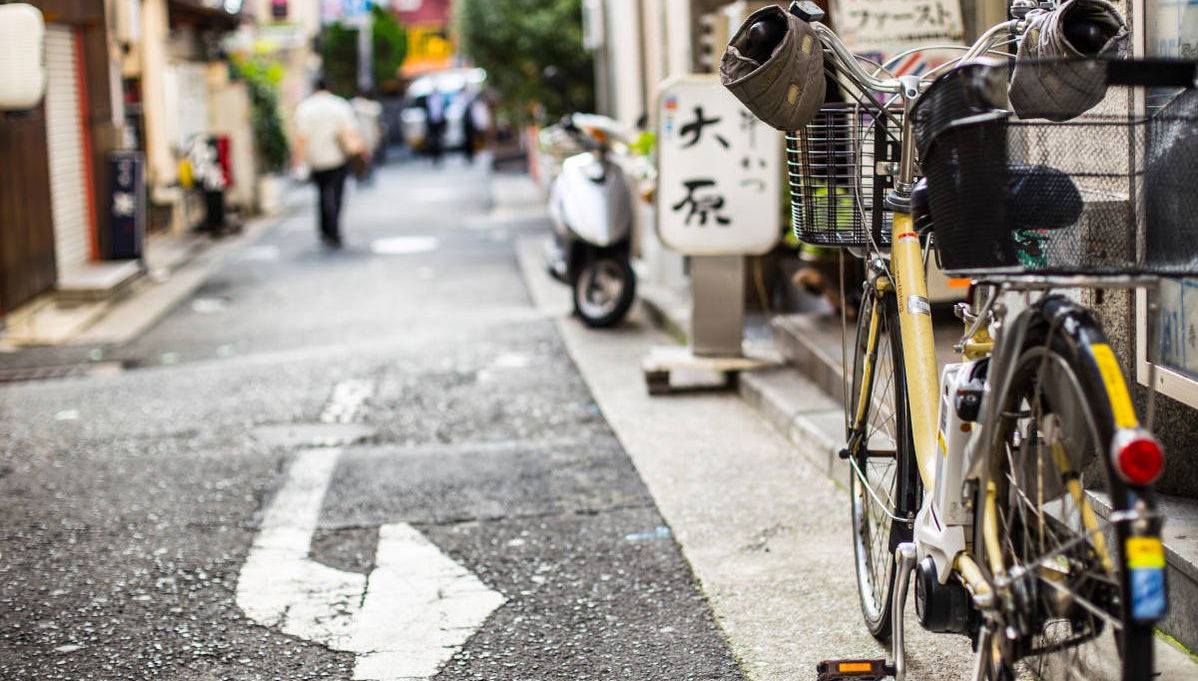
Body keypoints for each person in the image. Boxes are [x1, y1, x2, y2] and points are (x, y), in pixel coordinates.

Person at [292, 77, 364, 248]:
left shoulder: (305, 108)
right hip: (337, 157)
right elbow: (350, 132)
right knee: (337, 195)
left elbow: (301, 138)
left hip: (315, 159)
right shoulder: (339, 105)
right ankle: (334, 230)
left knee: (322, 193)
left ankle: (325, 230)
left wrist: (298, 161)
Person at [423, 86, 446, 166]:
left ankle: (439, 155)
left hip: (438, 122)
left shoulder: (439, 99)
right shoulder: (429, 100)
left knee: (439, 139)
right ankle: (434, 156)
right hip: (432, 122)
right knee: (433, 140)